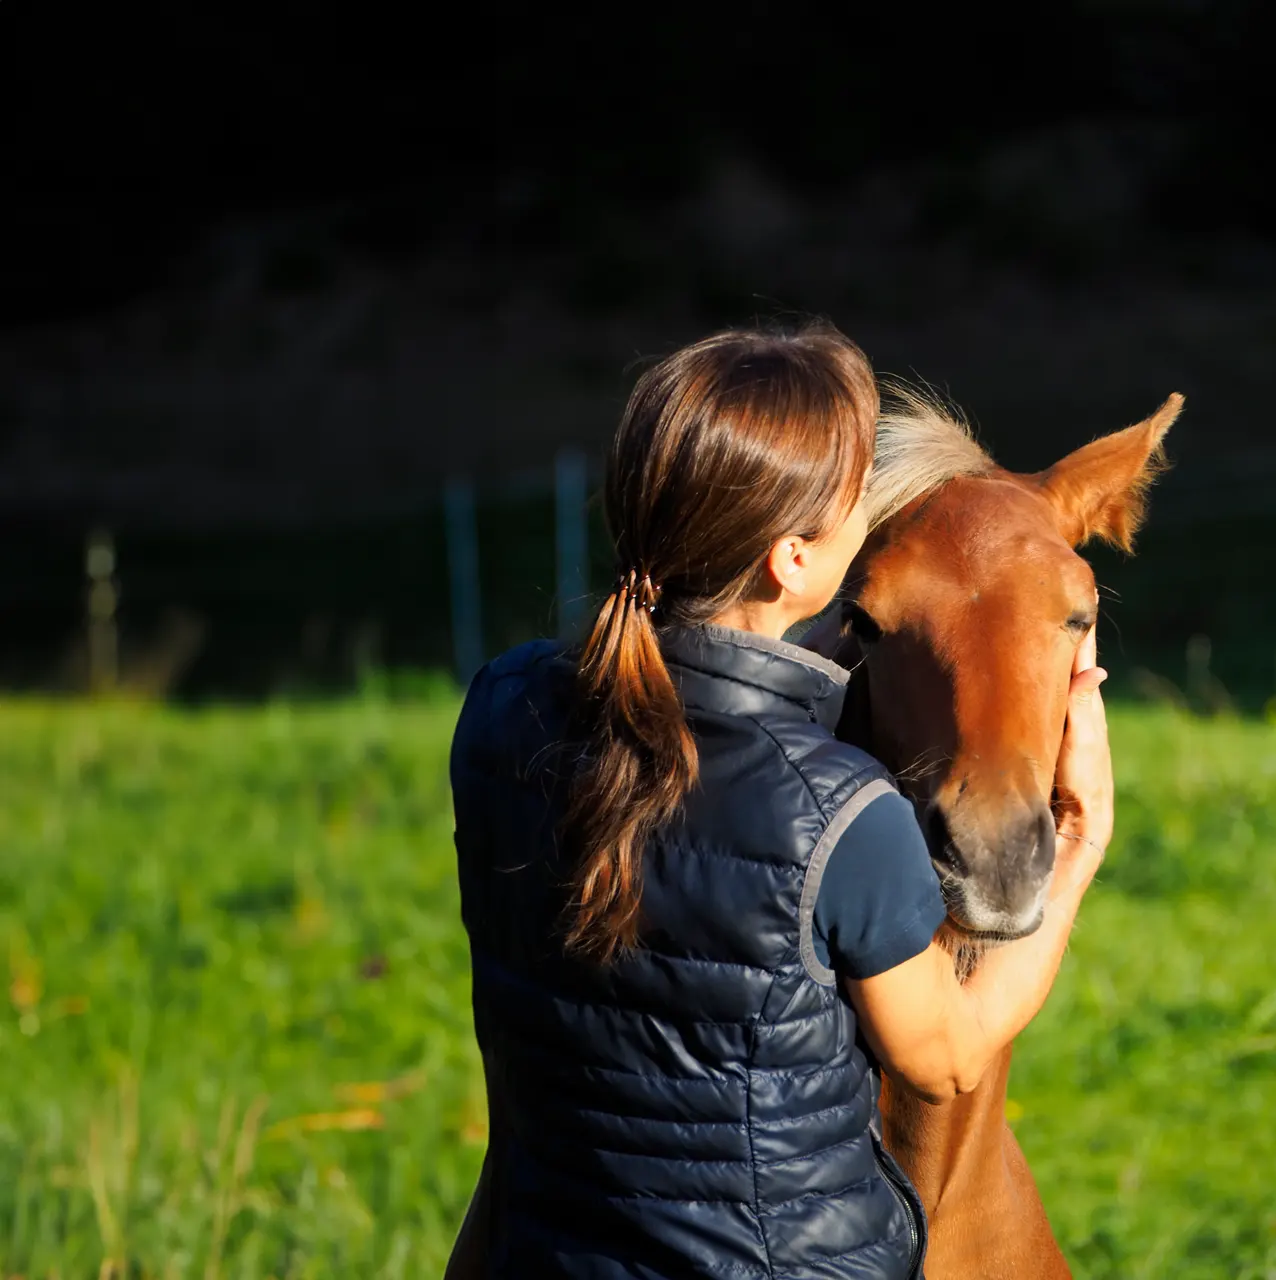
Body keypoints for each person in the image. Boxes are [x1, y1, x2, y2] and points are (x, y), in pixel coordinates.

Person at [444, 322, 1114, 1280]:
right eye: (859, 494)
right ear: (793, 560)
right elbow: (948, 1061)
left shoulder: (501, 710)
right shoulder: (839, 810)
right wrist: (1080, 836)